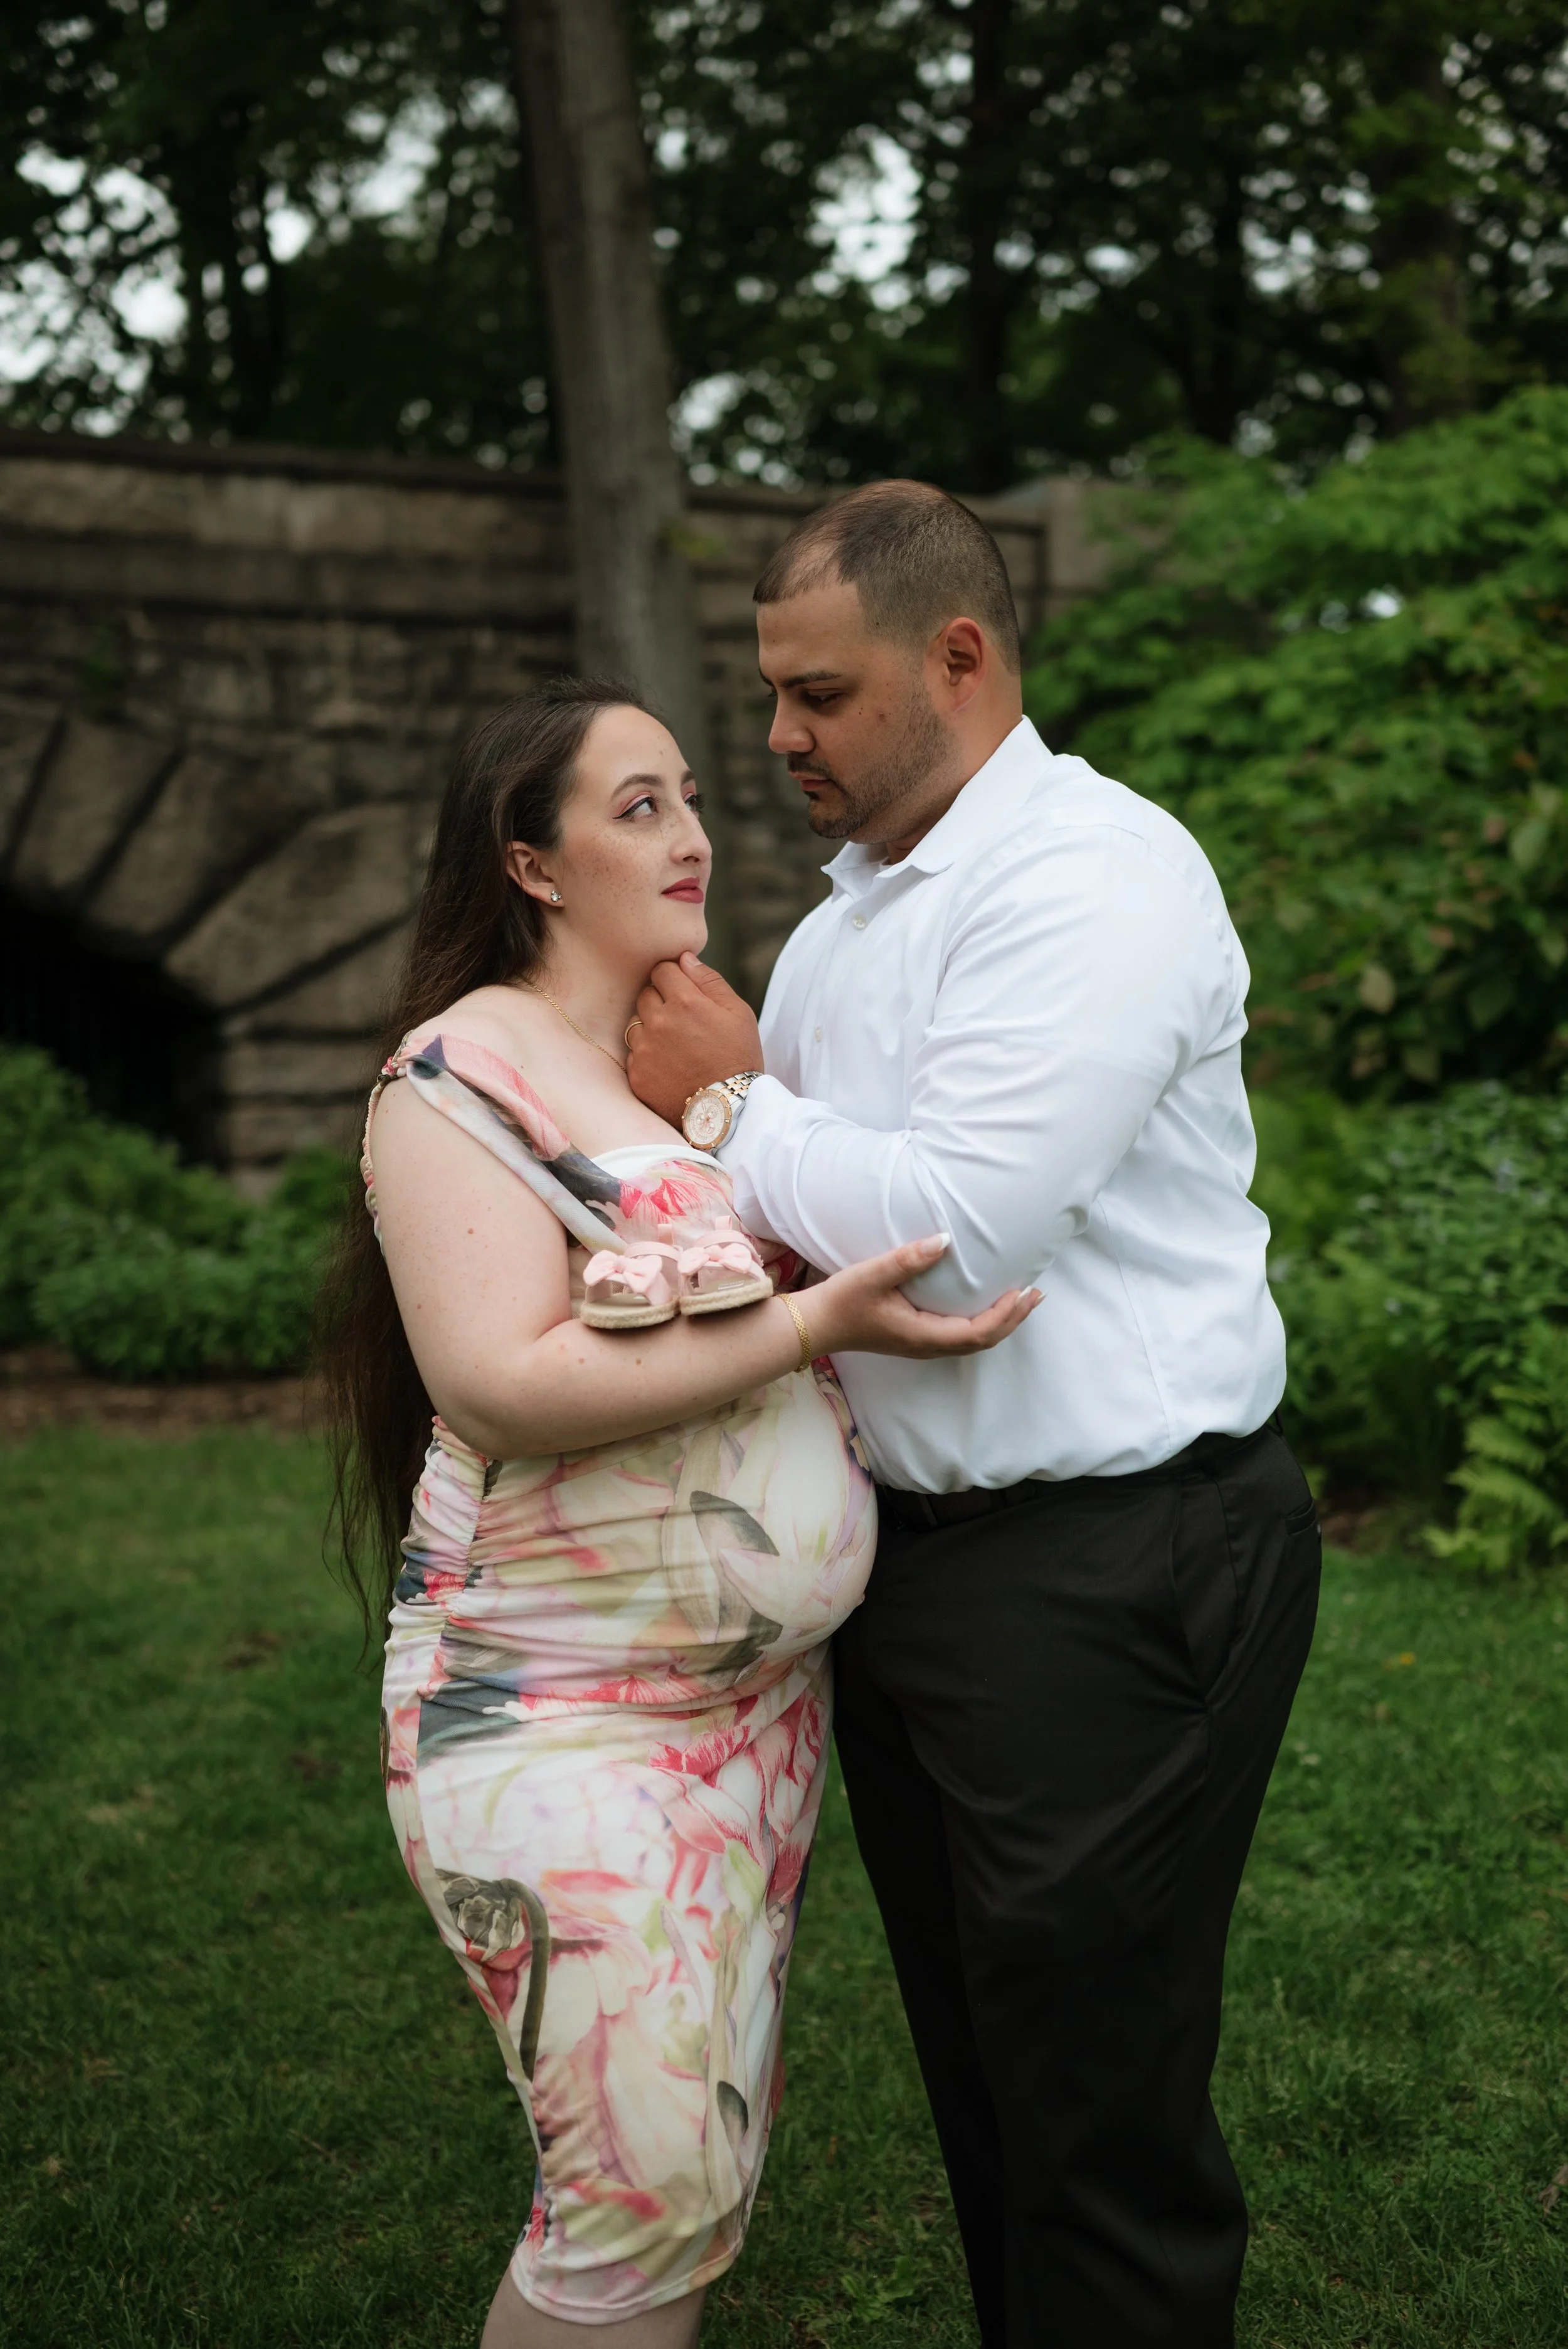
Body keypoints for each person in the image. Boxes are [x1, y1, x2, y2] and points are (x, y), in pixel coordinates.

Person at [625, 482, 1323, 2349]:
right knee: (993, 2090)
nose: (775, 738)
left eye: (819, 695)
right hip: (923, 1577)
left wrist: (727, 1104)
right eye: (771, 694)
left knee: (1095, 2124)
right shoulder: (862, 916)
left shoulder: (1094, 878)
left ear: (959, 656)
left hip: (1117, 1566)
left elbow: (947, 1247)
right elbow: (807, 1236)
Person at [320, 676, 1036, 2349]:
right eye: (637, 807)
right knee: (633, 2204)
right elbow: (496, 1380)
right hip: (556, 1706)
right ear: (531, 865)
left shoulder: (665, 1056)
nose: (695, 833)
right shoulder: (458, 1071)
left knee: (690, 2176)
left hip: (751, 1721)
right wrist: (806, 1324)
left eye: (692, 796)